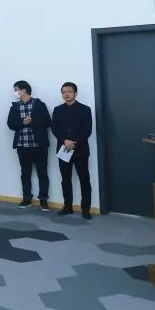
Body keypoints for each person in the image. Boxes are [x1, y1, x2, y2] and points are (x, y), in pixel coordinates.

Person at [50, 82, 93, 219]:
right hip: (63, 149)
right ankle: (67, 207)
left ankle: (86, 209)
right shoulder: (57, 110)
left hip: (80, 149)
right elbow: (55, 129)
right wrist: (65, 141)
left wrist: (74, 142)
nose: (66, 94)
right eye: (64, 92)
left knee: (84, 179)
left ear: (75, 93)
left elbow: (87, 130)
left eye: (69, 91)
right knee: (65, 180)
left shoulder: (85, 109)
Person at [7, 80, 52, 210]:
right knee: (25, 173)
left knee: (42, 173)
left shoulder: (39, 104)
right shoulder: (14, 107)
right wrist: (23, 123)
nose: (15, 92)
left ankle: (43, 200)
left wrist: (33, 121)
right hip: (22, 145)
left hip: (39, 145)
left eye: (16, 89)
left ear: (24, 90)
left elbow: (47, 122)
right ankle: (27, 199)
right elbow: (10, 124)